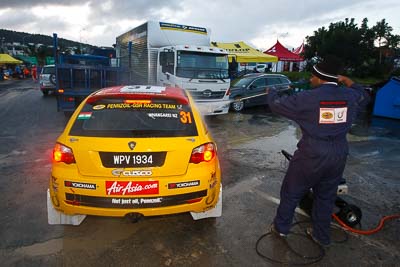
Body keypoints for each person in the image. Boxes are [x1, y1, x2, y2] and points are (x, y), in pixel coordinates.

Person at [267, 55, 370, 247]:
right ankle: (321, 236)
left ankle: (281, 229)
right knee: (326, 196)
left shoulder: (307, 98)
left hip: (312, 153)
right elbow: (363, 94)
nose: (311, 79)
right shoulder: (350, 95)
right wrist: (348, 81)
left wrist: (271, 92)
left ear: (321, 78)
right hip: (339, 152)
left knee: (291, 192)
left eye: (313, 77)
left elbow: (277, 105)